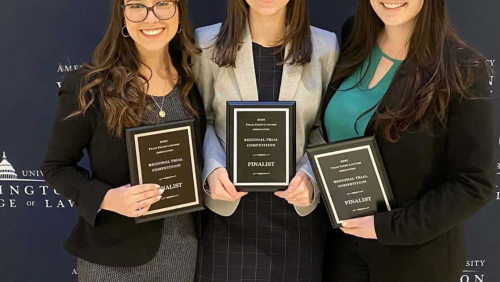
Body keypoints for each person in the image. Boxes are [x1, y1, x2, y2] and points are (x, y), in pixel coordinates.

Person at [321, 1, 495, 281]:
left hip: (415, 258)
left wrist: (387, 227)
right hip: (343, 246)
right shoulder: (354, 35)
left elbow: (476, 183)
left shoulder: (462, 68)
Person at [41, 0, 205, 281]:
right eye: (137, 6)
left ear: (179, 11)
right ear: (122, 14)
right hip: (113, 260)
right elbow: (56, 167)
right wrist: (106, 198)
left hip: (186, 250)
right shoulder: (90, 85)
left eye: (163, 4)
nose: (150, 18)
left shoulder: (196, 77)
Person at [193, 0, 338, 281]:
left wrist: (310, 175)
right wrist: (211, 168)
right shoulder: (207, 43)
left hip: (295, 220)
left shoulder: (324, 46)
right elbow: (204, 119)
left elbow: (323, 127)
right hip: (228, 219)